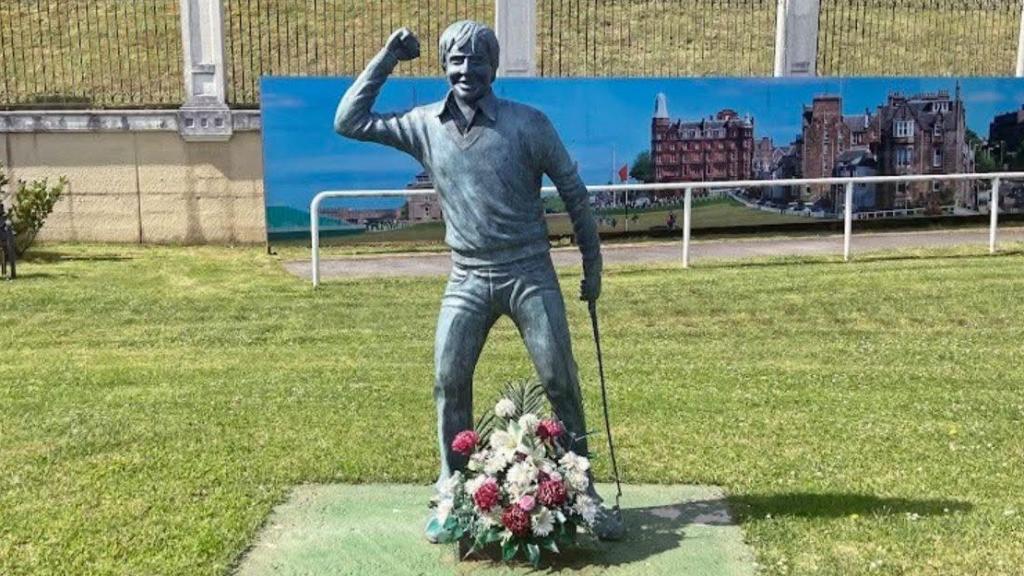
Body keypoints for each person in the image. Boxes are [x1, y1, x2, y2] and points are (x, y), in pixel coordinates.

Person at [334, 21, 624, 542]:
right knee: (449, 379)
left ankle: (585, 491)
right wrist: (387, 57)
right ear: (444, 65)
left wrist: (593, 267)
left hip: (529, 272)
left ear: (494, 65)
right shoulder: (423, 123)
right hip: (467, 275)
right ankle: (453, 489)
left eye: (477, 60)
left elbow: (576, 195)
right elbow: (348, 121)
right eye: (456, 60)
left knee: (561, 379)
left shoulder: (529, 124)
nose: (466, 70)